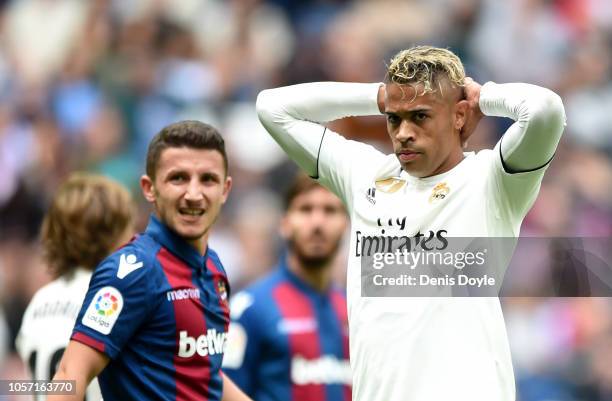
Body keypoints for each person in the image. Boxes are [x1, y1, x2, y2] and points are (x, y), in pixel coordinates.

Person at [256, 45, 566, 401]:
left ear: (459, 116)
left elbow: (545, 110)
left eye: (420, 116)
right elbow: (272, 108)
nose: (403, 132)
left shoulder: (492, 180)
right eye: (394, 118)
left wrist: (483, 96)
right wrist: (380, 96)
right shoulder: (364, 176)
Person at [49, 121, 251, 401]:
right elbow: (69, 374)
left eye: (208, 179)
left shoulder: (214, 267)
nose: (193, 194)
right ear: (149, 188)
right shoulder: (132, 272)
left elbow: (205, 370)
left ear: (225, 190)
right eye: (178, 178)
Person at [223, 174, 351, 401]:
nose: (317, 222)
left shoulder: (357, 310)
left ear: (347, 224)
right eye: (305, 209)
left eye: (330, 211)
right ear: (284, 224)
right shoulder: (250, 309)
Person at [16, 172, 135, 401]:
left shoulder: (39, 300)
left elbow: (20, 386)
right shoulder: (111, 300)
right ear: (109, 233)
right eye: (126, 226)